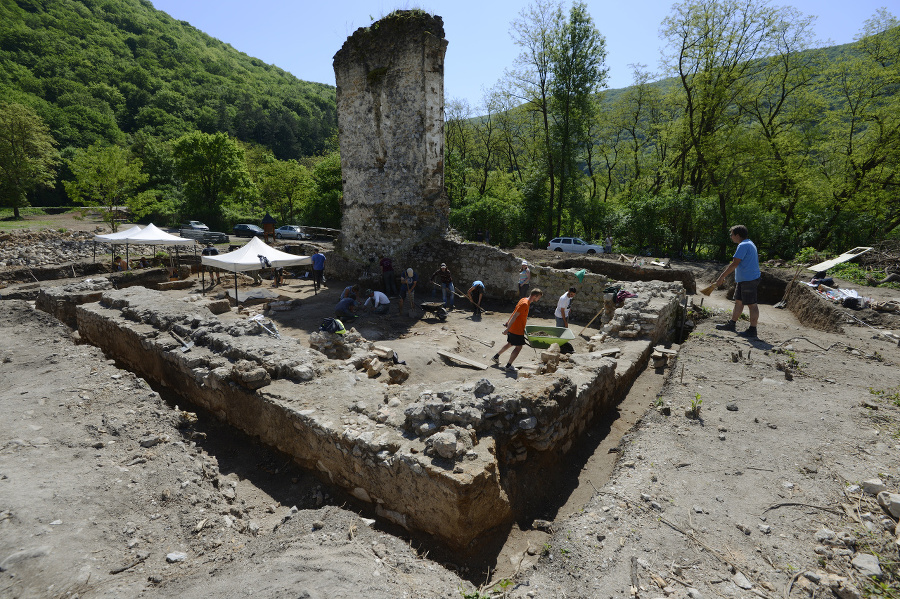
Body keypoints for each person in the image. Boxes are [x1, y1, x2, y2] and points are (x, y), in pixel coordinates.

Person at [714, 224, 761, 339]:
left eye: (732, 234)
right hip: (745, 279)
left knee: (752, 304)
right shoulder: (749, 243)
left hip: (749, 280)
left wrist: (721, 277)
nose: (731, 236)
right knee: (738, 302)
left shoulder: (743, 245)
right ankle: (732, 324)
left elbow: (735, 263)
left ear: (737, 235)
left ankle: (752, 330)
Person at [492, 288, 543, 372]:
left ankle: (496, 356)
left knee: (510, 343)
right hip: (517, 329)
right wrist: (507, 329)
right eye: (538, 297)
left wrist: (508, 323)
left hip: (514, 327)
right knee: (518, 347)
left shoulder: (523, 299)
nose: (538, 299)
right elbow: (515, 315)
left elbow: (514, 312)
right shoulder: (525, 304)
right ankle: (508, 366)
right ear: (535, 296)